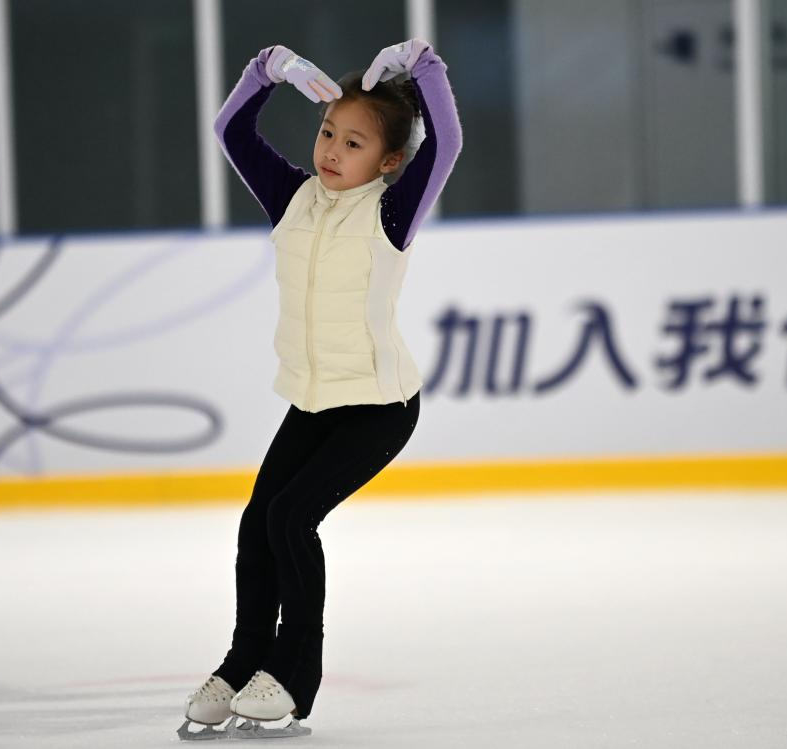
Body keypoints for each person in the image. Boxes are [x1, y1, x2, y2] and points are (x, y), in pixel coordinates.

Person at [179, 38, 462, 738]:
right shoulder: (292, 198)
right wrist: (266, 70)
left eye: (354, 142)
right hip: (311, 402)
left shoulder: (391, 212)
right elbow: (231, 130)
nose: (332, 150)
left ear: (388, 162)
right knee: (257, 524)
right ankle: (243, 662)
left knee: (291, 518)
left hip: (378, 407)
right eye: (328, 131)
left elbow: (447, 143)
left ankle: (293, 676)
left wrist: (425, 68)